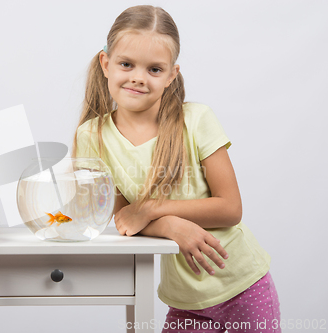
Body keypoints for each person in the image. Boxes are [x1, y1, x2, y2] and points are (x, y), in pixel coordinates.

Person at [74, 5, 280, 332]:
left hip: (243, 285)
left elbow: (230, 208)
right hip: (184, 300)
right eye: (126, 64)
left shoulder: (196, 119)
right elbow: (124, 219)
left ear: (172, 74)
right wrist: (171, 226)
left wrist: (156, 208)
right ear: (106, 63)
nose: (138, 77)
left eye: (154, 69)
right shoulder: (92, 136)